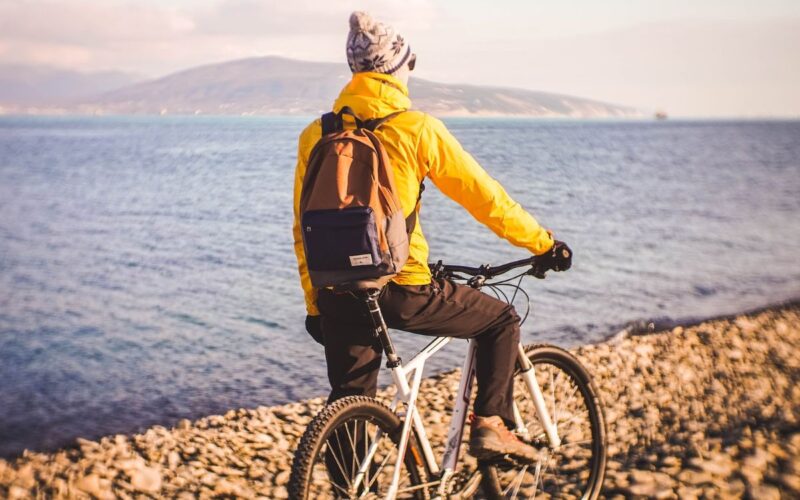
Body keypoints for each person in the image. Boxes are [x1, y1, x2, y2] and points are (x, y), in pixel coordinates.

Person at [292, 11, 572, 462]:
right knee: (501, 320)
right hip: (401, 287)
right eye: (410, 62)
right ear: (396, 68)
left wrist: (314, 303)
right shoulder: (416, 128)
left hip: (337, 293)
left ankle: (347, 490)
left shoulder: (317, 134)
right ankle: (491, 426)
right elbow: (486, 199)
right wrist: (542, 243)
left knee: (349, 398)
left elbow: (301, 229)